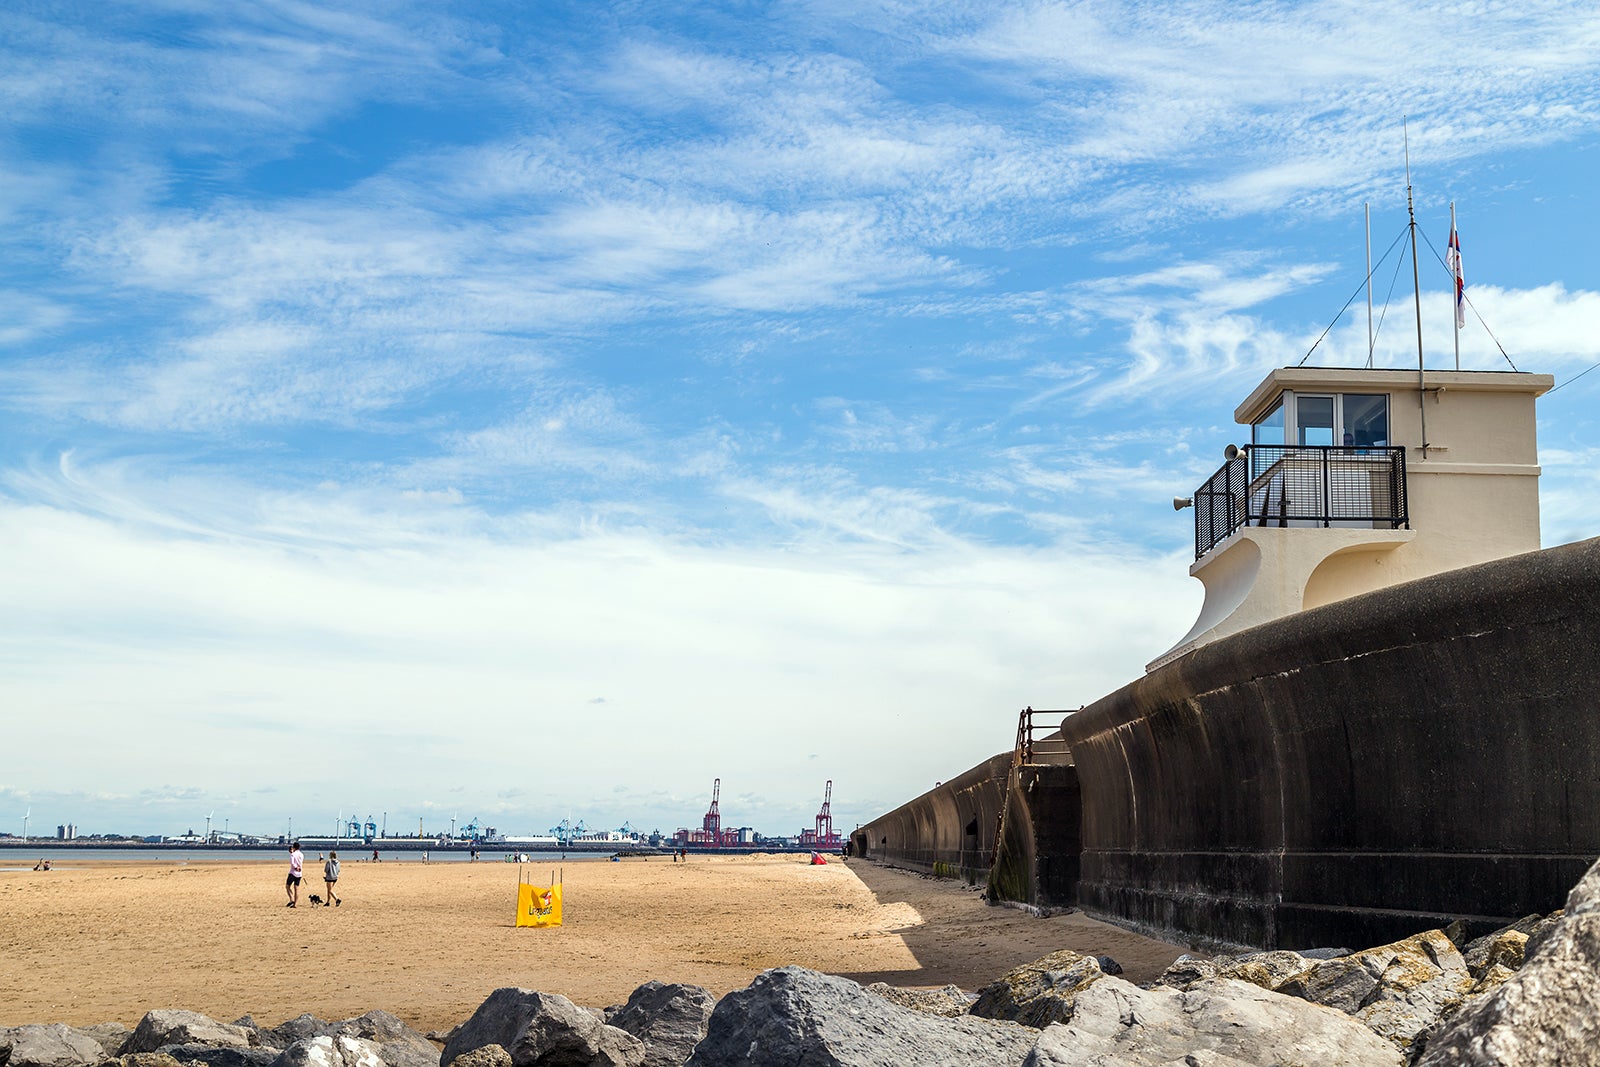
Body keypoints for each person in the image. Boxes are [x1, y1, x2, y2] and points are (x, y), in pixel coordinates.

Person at [285, 841, 304, 907]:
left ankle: (292, 899)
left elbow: (292, 863)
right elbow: (301, 863)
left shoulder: (293, 854)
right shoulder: (301, 854)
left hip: (293, 872)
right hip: (299, 873)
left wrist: (296, 868)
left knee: (287, 886)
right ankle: (295, 904)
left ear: (294, 847)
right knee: (296, 889)